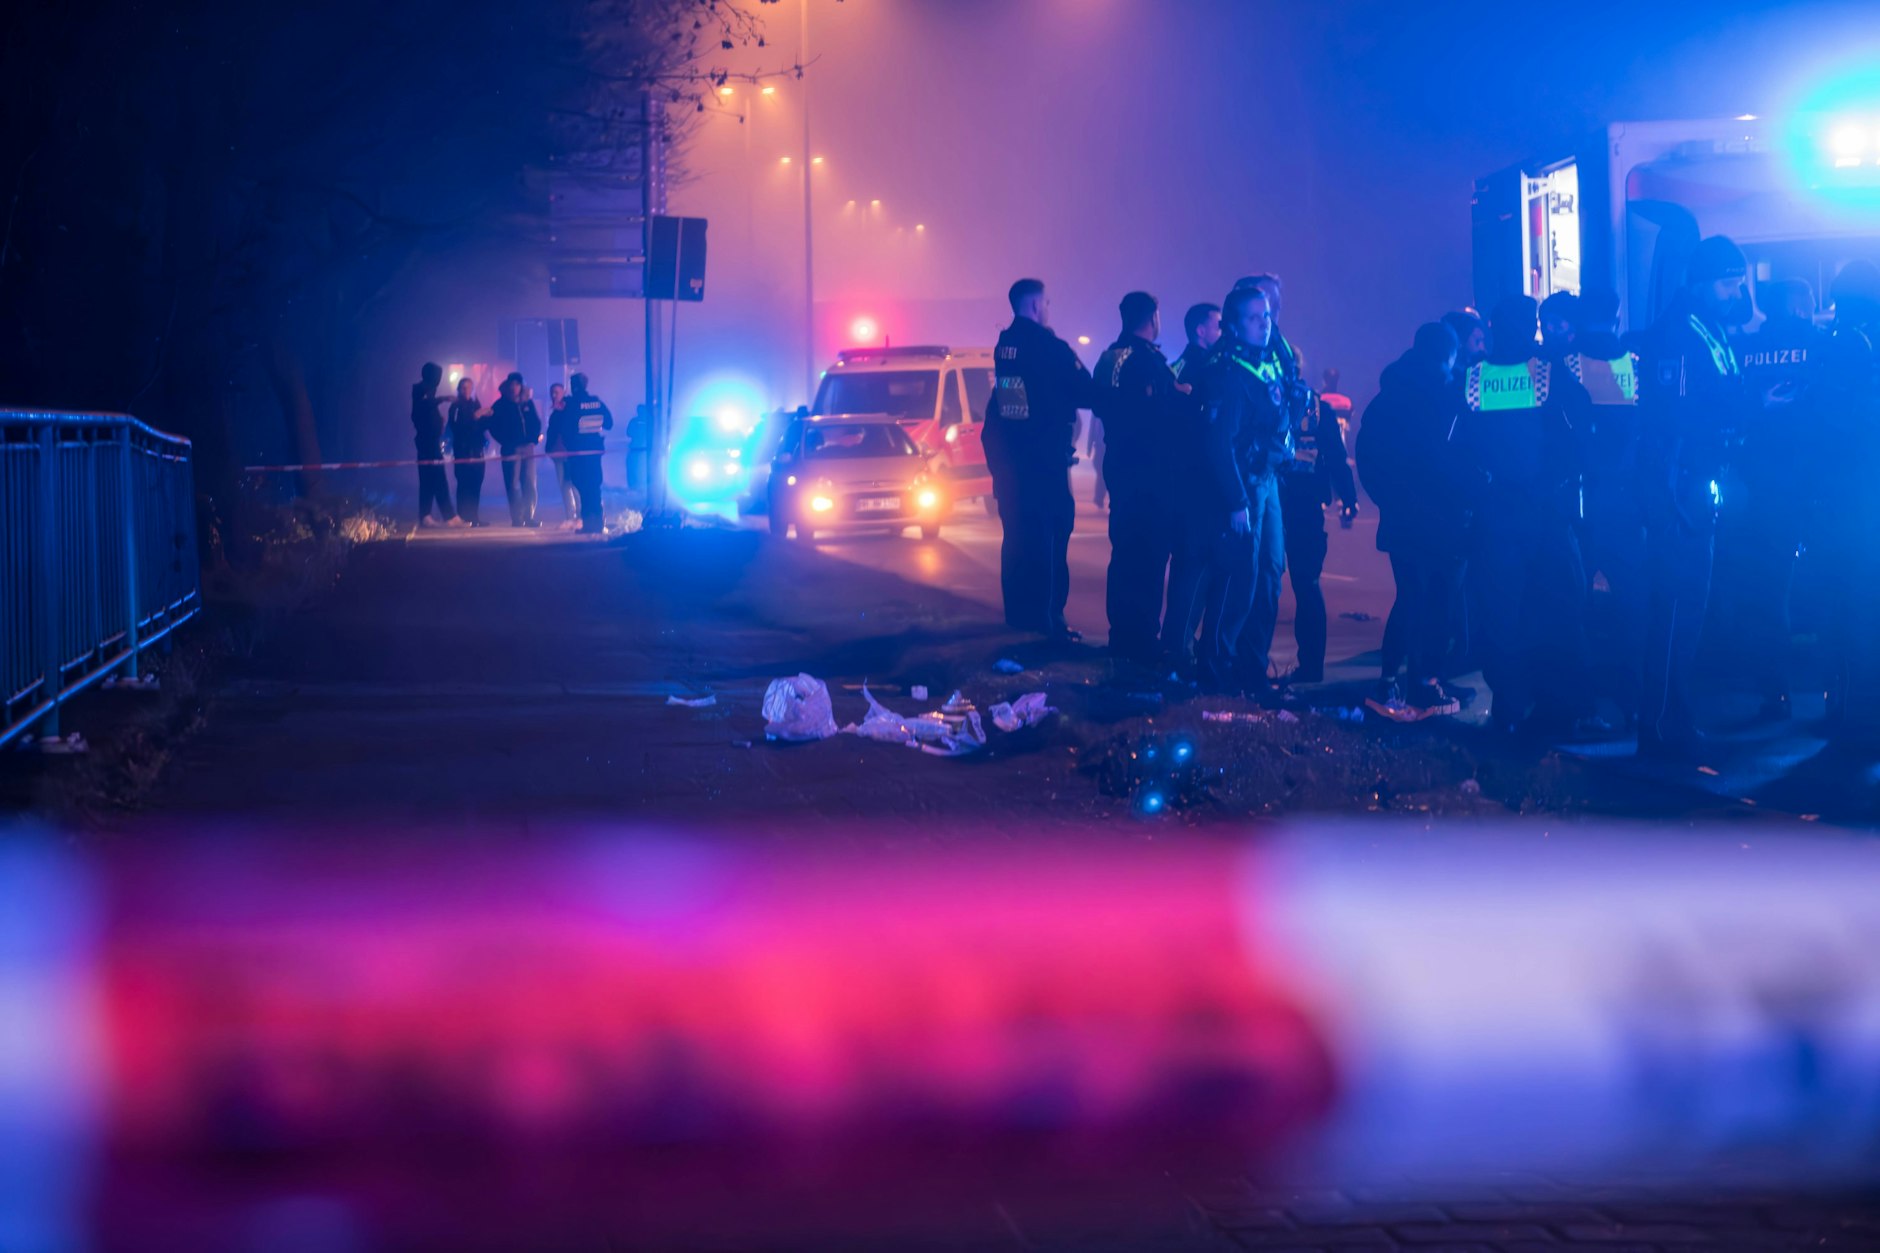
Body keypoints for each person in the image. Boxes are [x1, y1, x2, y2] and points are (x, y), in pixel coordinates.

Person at [1635, 235, 1758, 758]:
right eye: (1730, 284)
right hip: (1679, 490)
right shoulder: (1679, 335)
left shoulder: (1708, 329)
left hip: (1695, 483)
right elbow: (1677, 416)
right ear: (1705, 282)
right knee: (1676, 608)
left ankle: (1674, 715)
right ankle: (1659, 723)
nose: (1737, 294)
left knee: (1690, 608)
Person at [1455, 295, 1592, 734]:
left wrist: (1483, 488)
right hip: (1546, 512)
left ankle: (1511, 705)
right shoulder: (1548, 372)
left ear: (1493, 325)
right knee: (1558, 604)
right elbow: (1578, 431)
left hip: (1496, 514)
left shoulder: (1474, 377)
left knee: (1500, 612)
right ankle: (1559, 704)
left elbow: (1459, 447)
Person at [1717, 277, 1826, 722]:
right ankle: (1832, 691)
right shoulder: (1820, 347)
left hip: (1754, 485)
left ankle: (1773, 690)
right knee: (1830, 588)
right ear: (1801, 306)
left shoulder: (1745, 348)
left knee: (1763, 589)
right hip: (1810, 486)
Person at [1358, 322, 1480, 713]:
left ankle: (1392, 680)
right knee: (1439, 603)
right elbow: (1455, 458)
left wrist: (1389, 501)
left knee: (1410, 598)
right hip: (1442, 519)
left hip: (1402, 518)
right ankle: (1426, 682)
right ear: (1449, 354)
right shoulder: (1449, 395)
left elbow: (1367, 456)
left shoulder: (1388, 396)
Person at [983, 278, 1096, 643]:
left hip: (1013, 469)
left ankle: (1019, 617)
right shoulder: (1048, 347)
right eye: (1046, 303)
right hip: (1044, 465)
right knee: (1050, 538)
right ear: (1035, 306)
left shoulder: (1006, 348)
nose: (1048, 309)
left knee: (1016, 540)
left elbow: (1006, 412)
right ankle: (1049, 620)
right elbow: (1087, 390)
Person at [1191, 284, 1290, 696]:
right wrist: (1235, 501)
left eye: (1266, 315)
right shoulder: (1229, 372)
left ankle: (1252, 668)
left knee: (1270, 573)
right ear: (1233, 324)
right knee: (1240, 580)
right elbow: (1218, 443)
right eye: (1253, 317)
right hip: (1243, 488)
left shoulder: (1267, 360)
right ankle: (1215, 664)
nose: (1264, 324)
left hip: (1268, 482)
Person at [1091, 292, 1185, 665]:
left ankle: (1121, 634)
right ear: (1153, 318)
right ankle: (1144, 638)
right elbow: (1164, 413)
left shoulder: (1107, 357)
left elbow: (1099, 403)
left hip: (1119, 463)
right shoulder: (1147, 362)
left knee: (1124, 552)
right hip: (1151, 471)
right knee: (1149, 556)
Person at [1570, 287, 1648, 721]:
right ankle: (1631, 697)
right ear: (1617, 317)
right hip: (1624, 501)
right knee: (1632, 602)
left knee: (1574, 599)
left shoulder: (1563, 365)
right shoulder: (1632, 365)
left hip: (1575, 501)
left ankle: (1582, 696)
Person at [1812, 260, 1880, 738]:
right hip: (1860, 497)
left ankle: (1847, 708)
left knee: (1843, 605)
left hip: (1840, 497)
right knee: (1861, 606)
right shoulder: (1861, 345)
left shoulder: (1839, 345)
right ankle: (1861, 714)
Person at [1273, 364, 1358, 685]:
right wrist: (1348, 498)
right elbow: (1336, 455)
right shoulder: (1318, 406)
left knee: (1262, 585)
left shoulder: (1268, 398)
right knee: (1307, 585)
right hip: (1307, 503)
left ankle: (1249, 663)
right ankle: (1311, 667)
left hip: (1271, 501)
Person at [1161, 303, 1223, 671]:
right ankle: (1179, 648)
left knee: (1186, 564)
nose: (1222, 332)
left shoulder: (1177, 367)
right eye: (1218, 326)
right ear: (1200, 330)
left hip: (1180, 481)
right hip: (1199, 483)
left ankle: (1178, 643)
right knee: (1196, 567)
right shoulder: (1202, 370)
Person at [410, 363, 462, 528]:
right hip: (427, 443)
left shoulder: (427, 392)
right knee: (439, 478)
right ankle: (449, 516)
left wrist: (439, 423)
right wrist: (443, 399)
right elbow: (422, 408)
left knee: (428, 481)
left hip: (431, 440)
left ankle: (425, 514)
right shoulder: (421, 390)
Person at [562, 372, 614, 534]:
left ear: (574, 386)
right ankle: (597, 523)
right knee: (594, 486)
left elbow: (566, 429)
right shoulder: (596, 402)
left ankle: (589, 523)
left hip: (578, 454)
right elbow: (609, 423)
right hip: (595, 452)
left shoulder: (571, 404)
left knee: (583, 488)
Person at [488, 375, 540, 527]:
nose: (514, 387)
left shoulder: (528, 403)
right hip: (511, 449)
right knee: (513, 484)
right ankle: (517, 518)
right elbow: (493, 427)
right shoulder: (500, 405)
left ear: (521, 386)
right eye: (512, 384)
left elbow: (536, 422)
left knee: (530, 483)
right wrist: (506, 441)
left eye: (517, 384)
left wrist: (534, 439)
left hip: (528, 449)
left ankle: (529, 516)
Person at [446, 378, 492, 526]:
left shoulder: (475, 404)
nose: (466, 391)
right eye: (463, 388)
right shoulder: (456, 407)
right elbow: (456, 428)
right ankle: (463, 517)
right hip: (463, 451)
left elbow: (480, 428)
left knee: (476, 484)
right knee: (464, 485)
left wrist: (487, 417)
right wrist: (474, 417)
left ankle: (474, 517)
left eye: (469, 388)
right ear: (459, 389)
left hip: (477, 451)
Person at [543, 381, 581, 529]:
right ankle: (570, 517)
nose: (553, 395)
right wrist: (549, 449)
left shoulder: (569, 408)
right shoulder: (555, 413)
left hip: (570, 453)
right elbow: (551, 433)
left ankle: (579, 516)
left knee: (574, 484)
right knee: (564, 486)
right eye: (552, 392)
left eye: (556, 392)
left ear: (564, 392)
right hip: (558, 453)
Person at [1539, 292, 1580, 357]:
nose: (1548, 328)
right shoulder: (1529, 363)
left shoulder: (1592, 364)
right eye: (1544, 322)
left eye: (1555, 321)